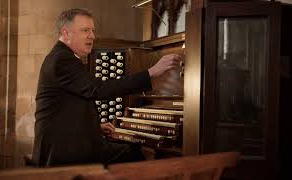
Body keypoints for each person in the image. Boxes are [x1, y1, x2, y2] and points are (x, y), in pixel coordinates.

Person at [32, 8, 182, 167]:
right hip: (64, 149)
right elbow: (99, 89)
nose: (92, 36)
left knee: (131, 149)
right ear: (66, 33)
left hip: (63, 142)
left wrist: (94, 127)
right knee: (136, 153)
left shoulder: (63, 56)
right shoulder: (62, 59)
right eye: (85, 30)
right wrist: (151, 73)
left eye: (93, 30)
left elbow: (66, 107)